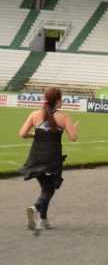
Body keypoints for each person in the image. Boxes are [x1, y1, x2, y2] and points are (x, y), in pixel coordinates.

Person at [18, 88, 79, 235]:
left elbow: (22, 134)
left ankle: (43, 220)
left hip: (36, 157)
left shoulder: (34, 115)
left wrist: (35, 134)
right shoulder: (64, 117)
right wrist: (74, 129)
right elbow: (73, 138)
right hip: (52, 158)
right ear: (58, 100)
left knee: (45, 188)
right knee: (49, 189)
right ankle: (35, 208)